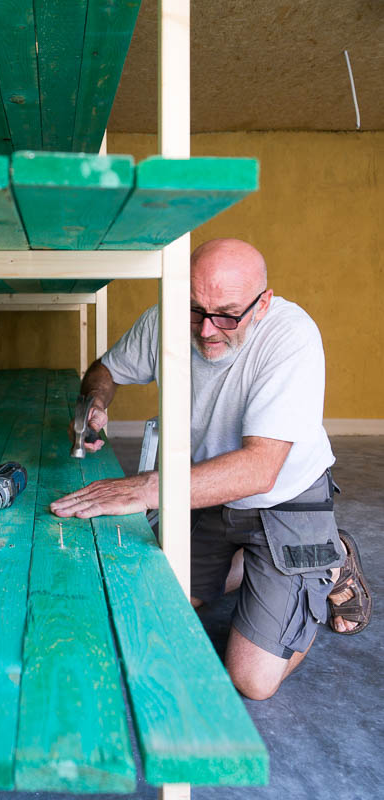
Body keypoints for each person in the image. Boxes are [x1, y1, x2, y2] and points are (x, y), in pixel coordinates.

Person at [50, 238, 372, 701]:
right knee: (146, 606)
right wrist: (95, 400)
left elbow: (260, 469)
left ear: (262, 304)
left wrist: (143, 489)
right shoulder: (167, 318)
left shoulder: (291, 336)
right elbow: (106, 369)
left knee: (253, 680)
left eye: (226, 314)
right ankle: (251, 562)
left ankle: (329, 557)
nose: (205, 330)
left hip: (282, 499)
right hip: (207, 492)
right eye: (195, 310)